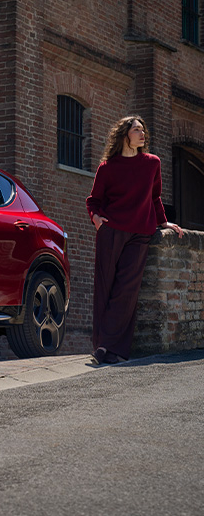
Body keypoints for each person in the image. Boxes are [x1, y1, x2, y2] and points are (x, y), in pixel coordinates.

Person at [86, 115, 183, 365]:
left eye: (143, 130)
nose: (142, 134)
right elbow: (94, 200)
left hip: (140, 233)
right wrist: (96, 219)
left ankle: (108, 347)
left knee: (127, 291)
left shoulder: (152, 163)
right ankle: (104, 348)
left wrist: (164, 222)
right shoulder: (107, 167)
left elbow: (155, 196)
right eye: (137, 130)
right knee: (106, 287)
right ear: (124, 135)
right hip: (111, 231)